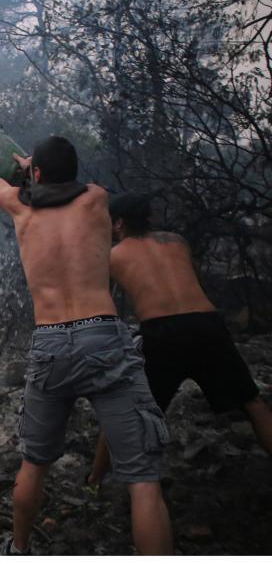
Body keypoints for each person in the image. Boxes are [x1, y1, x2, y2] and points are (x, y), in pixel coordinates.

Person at [0, 134, 173, 555]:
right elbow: (62, 184)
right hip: (104, 337)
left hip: (51, 341)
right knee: (143, 477)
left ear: (35, 174)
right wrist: (32, 164)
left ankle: (19, 550)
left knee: (34, 464)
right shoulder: (97, 199)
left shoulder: (19, 206)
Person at [88, 194, 272, 487]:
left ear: (119, 223)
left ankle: (94, 480)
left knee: (123, 407)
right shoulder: (176, 241)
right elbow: (192, 279)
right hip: (207, 324)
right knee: (252, 402)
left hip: (163, 333)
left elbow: (101, 306)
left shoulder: (114, 256)